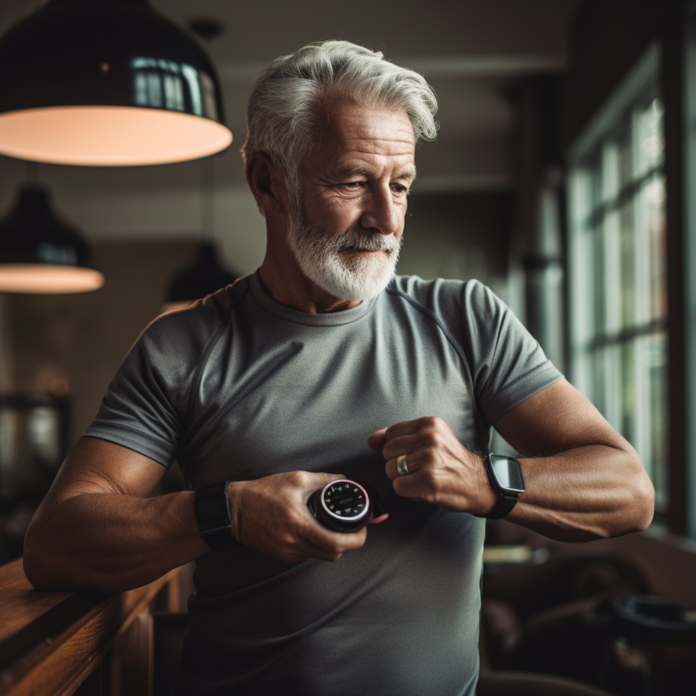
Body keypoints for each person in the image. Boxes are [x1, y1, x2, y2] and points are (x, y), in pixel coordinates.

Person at [23, 41, 655, 696]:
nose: (386, 218)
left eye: (401, 185)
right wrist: (228, 513)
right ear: (268, 182)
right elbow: (56, 541)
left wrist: (486, 478)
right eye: (352, 182)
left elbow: (629, 491)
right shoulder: (183, 345)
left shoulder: (467, 318)